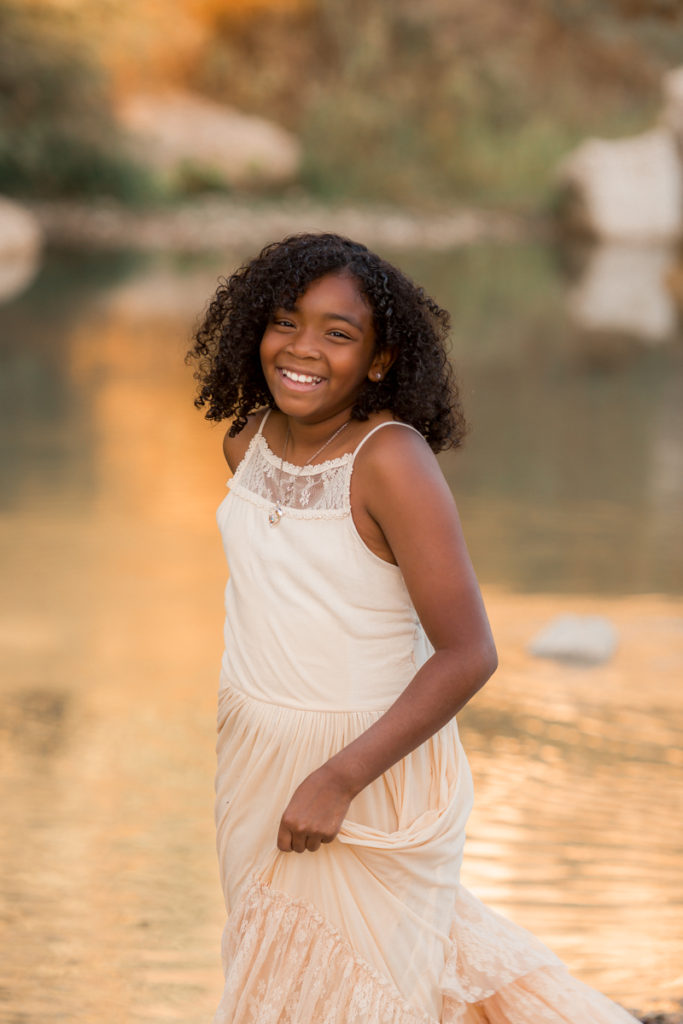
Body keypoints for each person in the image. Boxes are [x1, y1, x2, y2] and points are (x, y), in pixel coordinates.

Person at [188, 233, 638, 1023]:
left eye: (337, 333)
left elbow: (468, 653)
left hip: (365, 762)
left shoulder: (390, 460)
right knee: (282, 971)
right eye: (285, 321)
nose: (302, 348)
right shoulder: (244, 443)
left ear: (380, 359)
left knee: (360, 988)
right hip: (254, 753)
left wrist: (337, 779)